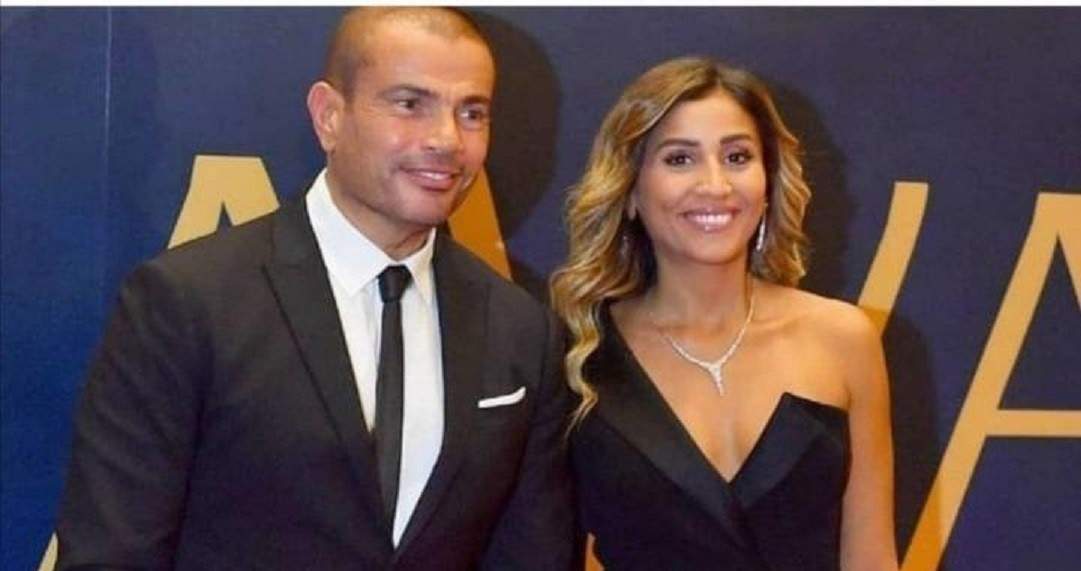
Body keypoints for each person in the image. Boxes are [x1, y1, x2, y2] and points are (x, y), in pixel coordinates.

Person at [56, 8, 576, 570]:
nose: (447, 139)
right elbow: (111, 552)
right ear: (329, 116)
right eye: (410, 104)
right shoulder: (187, 302)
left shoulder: (521, 330)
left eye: (471, 113)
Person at [550, 56, 897, 570]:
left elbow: (871, 557)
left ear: (768, 181)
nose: (715, 185)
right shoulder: (579, 355)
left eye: (737, 157)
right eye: (679, 159)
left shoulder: (842, 338)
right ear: (630, 190)